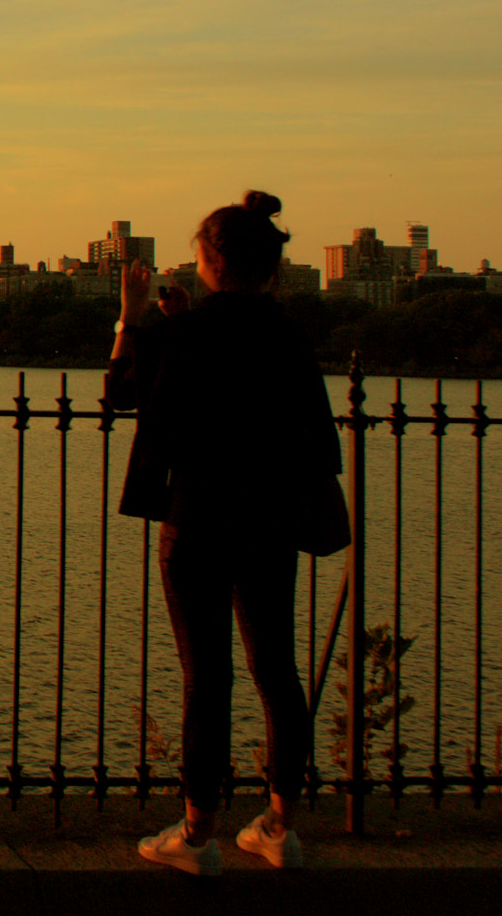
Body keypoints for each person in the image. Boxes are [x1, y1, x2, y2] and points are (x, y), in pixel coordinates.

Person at [107, 190, 339, 877]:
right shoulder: (288, 335)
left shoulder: (191, 334)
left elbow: (127, 394)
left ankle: (198, 831)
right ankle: (278, 824)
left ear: (211, 261)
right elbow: (317, 440)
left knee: (207, 678)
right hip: (269, 520)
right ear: (270, 265)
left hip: (200, 518)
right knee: (278, 672)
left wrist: (134, 319)